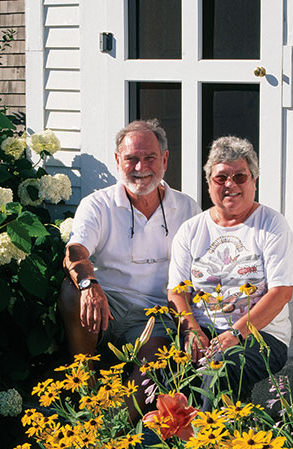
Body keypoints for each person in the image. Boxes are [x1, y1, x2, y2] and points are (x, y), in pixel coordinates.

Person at [60, 119, 199, 416]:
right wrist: (89, 286)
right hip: (106, 306)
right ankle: (86, 388)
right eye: (131, 159)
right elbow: (74, 251)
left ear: (164, 159)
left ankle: (111, 424)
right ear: (117, 161)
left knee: (159, 357)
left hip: (155, 315)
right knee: (72, 292)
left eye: (149, 157)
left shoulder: (187, 208)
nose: (140, 167)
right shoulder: (97, 204)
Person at [168, 136, 293, 401]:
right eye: (221, 178)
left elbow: (282, 292)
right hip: (202, 330)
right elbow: (176, 291)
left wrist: (236, 334)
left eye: (240, 177)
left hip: (260, 337)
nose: (231, 185)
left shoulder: (272, 225)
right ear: (209, 184)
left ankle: (202, 441)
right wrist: (191, 328)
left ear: (254, 181)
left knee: (219, 370)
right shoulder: (191, 230)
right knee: (161, 364)